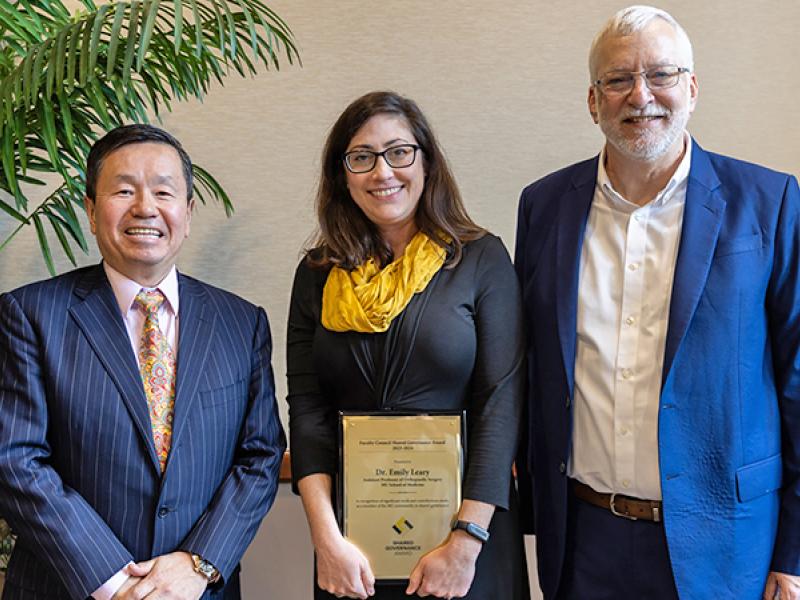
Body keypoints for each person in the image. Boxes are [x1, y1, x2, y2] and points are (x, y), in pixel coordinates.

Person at [514, 5, 800, 600]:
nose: (640, 95)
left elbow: (798, 378)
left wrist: (794, 554)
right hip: (583, 539)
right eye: (618, 79)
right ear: (593, 100)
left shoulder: (768, 202)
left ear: (691, 89)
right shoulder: (544, 207)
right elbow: (529, 364)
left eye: (661, 74)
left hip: (729, 543)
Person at [0, 124, 286, 600]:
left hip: (197, 590)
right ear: (91, 211)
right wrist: (116, 582)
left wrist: (198, 563)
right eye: (124, 190)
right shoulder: (29, 315)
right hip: (68, 588)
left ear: (187, 214)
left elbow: (261, 456)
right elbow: (15, 459)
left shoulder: (241, 323)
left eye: (163, 191)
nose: (145, 207)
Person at [287, 91, 530, 600]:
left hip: (466, 546)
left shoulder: (481, 260)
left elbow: (501, 404)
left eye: (399, 152)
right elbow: (308, 412)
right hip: (353, 552)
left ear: (427, 162)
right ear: (342, 175)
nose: (383, 172)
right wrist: (326, 540)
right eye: (362, 157)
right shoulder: (317, 274)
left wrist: (466, 542)